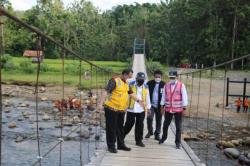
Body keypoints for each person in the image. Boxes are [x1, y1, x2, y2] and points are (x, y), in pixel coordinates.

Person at [97, 69, 145, 153]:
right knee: (111, 128)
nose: (129, 78)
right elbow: (106, 91)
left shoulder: (126, 83)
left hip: (121, 110)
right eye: (129, 76)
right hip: (111, 109)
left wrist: (139, 100)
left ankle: (120, 145)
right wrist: (100, 103)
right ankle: (111, 146)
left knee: (120, 129)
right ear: (124, 74)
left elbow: (131, 93)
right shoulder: (114, 80)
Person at [159, 70, 188, 149]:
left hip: (178, 109)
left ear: (176, 77)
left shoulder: (181, 85)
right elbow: (164, 96)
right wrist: (162, 106)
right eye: (170, 77)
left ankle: (177, 143)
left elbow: (184, 97)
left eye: (173, 77)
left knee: (178, 127)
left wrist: (184, 108)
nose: (171, 79)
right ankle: (163, 138)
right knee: (165, 125)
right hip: (168, 109)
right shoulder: (166, 85)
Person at [123, 72, 151, 147]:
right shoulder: (130, 84)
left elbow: (147, 97)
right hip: (131, 108)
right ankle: (121, 137)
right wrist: (123, 106)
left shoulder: (146, 86)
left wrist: (148, 108)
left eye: (142, 79)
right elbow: (126, 95)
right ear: (136, 79)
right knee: (128, 124)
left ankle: (139, 141)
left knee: (140, 125)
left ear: (144, 79)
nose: (141, 80)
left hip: (141, 108)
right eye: (139, 79)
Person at [145, 70, 165, 140]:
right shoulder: (149, 83)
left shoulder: (164, 84)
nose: (157, 78)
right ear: (154, 76)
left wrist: (164, 106)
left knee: (159, 120)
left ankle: (157, 134)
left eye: (159, 77)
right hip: (151, 105)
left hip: (160, 105)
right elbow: (144, 91)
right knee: (149, 118)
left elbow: (166, 96)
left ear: (161, 77)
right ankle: (150, 131)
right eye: (156, 77)